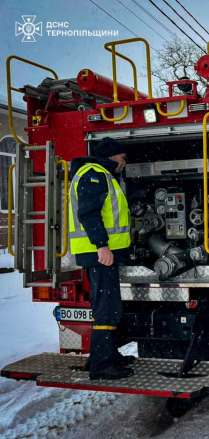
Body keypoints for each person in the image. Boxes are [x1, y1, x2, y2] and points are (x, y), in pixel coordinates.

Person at [69, 137, 135, 380]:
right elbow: (88, 213)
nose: (124, 162)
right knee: (105, 308)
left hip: (101, 254)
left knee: (109, 305)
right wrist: (102, 246)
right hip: (98, 254)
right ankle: (102, 365)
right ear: (111, 156)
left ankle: (107, 355)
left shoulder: (100, 174)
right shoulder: (94, 175)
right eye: (122, 158)